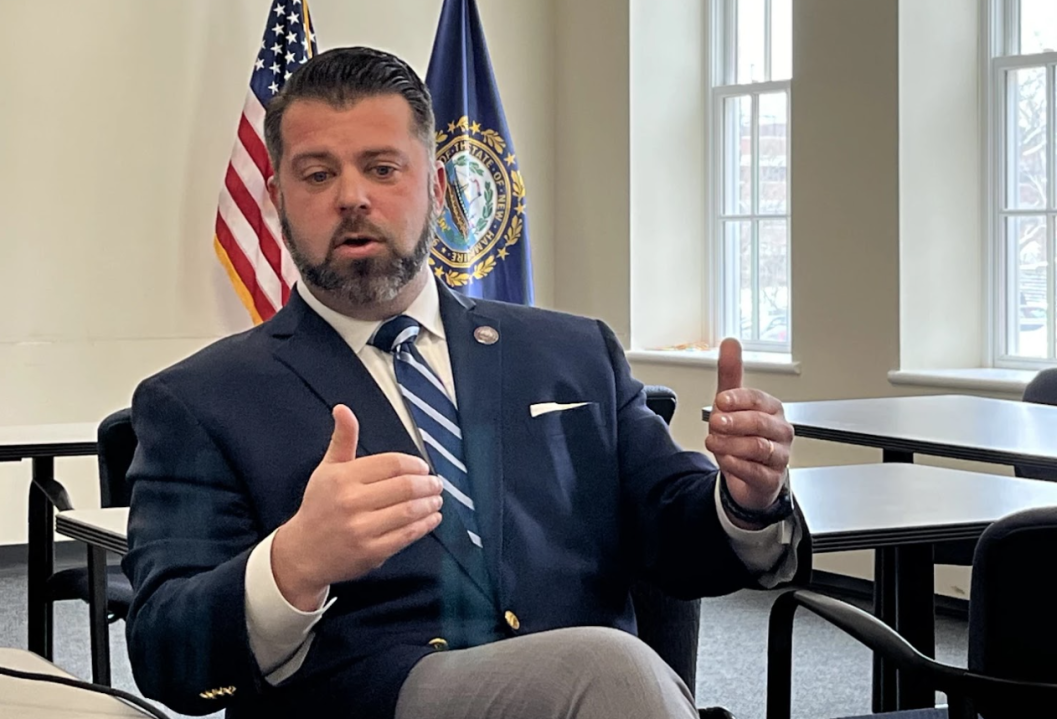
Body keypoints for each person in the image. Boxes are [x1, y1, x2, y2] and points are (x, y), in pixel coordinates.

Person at [123, 47, 807, 719]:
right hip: (378, 698)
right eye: (317, 174)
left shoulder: (573, 351)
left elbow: (675, 534)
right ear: (276, 200)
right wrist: (292, 563)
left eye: (382, 168)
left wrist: (746, 499)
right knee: (611, 666)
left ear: (439, 188)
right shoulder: (201, 400)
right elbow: (165, 654)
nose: (353, 197)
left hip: (597, 697)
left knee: (608, 669)